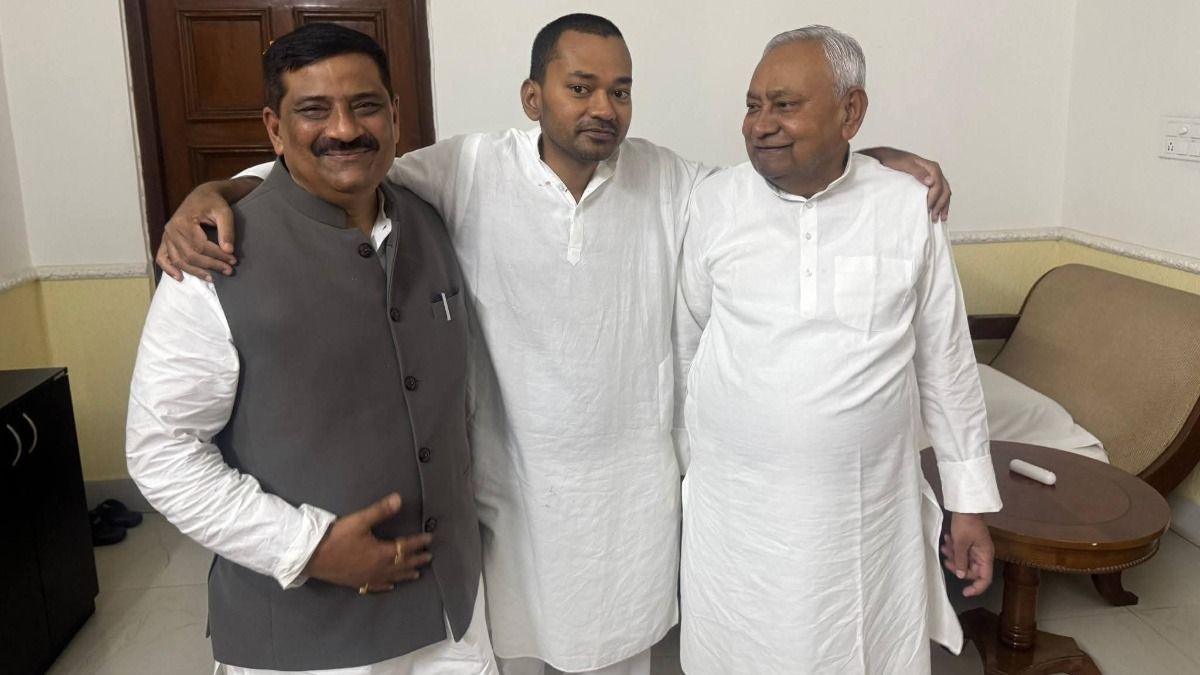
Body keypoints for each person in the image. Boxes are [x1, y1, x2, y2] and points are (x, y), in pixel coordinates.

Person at [155, 14, 954, 675]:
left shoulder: (670, 180)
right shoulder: (468, 169)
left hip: (630, 498)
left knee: (622, 651)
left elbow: (771, 181)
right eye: (580, 87)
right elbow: (345, 166)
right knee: (515, 646)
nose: (603, 107)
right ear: (533, 97)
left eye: (620, 90)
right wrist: (219, 190)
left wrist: (866, 163)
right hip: (514, 494)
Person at [125, 24, 496, 674]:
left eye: (365, 105)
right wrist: (308, 546)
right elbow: (161, 451)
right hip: (307, 637)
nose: (345, 129)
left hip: (451, 619)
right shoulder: (213, 259)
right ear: (274, 128)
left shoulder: (433, 219)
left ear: (395, 114)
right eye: (314, 110)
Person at [676, 25, 1001, 674]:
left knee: (857, 650)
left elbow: (945, 362)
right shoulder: (713, 202)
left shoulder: (908, 207)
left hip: (862, 519)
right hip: (736, 516)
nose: (760, 125)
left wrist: (968, 504)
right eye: (752, 105)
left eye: (785, 105)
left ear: (851, 112)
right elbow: (690, 336)